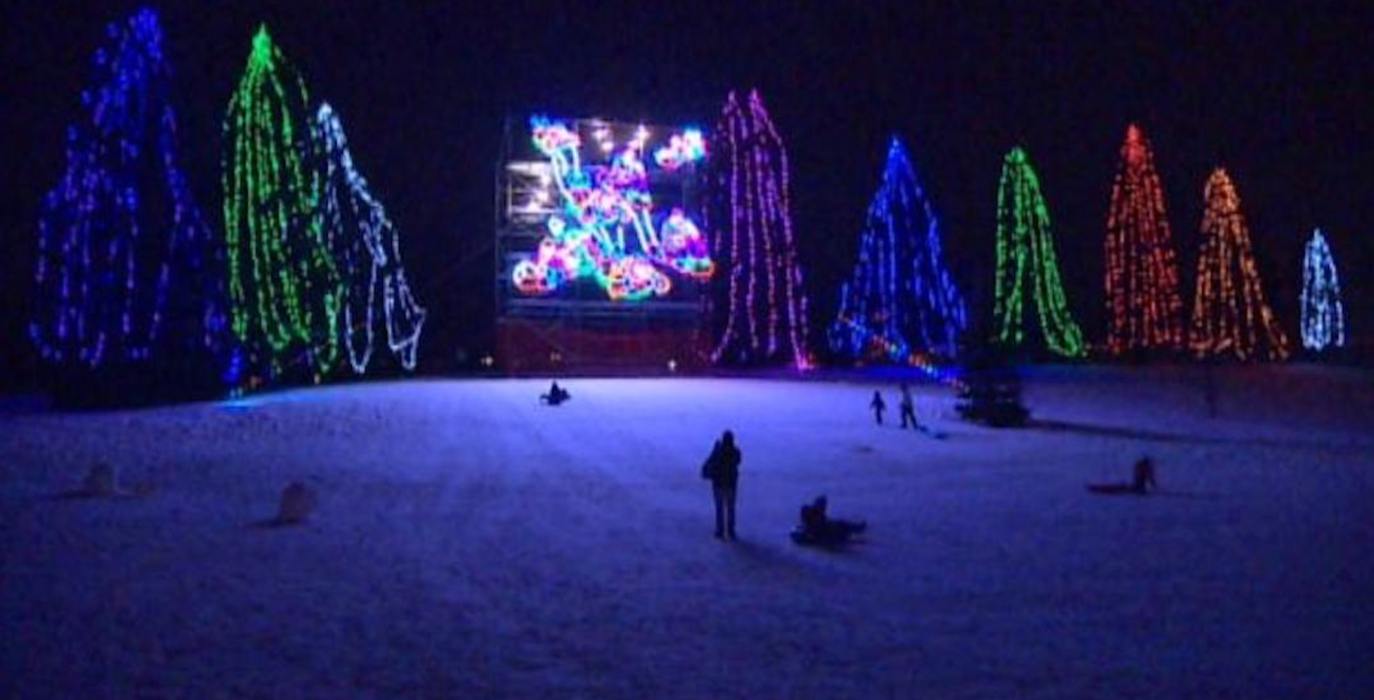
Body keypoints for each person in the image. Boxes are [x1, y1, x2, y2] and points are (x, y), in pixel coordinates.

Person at [700, 430, 741, 540]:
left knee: (719, 508)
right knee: (730, 508)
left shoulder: (718, 451)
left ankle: (720, 531)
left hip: (718, 484)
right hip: (731, 485)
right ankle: (731, 531)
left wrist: (716, 448)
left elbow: (710, 462)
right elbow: (738, 462)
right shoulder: (736, 452)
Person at [796, 495, 866, 543]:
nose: (824, 507)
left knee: (840, 523)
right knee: (836, 528)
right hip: (817, 532)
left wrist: (829, 522)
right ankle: (847, 535)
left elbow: (823, 521)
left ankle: (855, 529)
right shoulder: (809, 512)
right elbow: (812, 526)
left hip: (822, 528)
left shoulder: (819, 513)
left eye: (824, 505)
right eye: (823, 505)